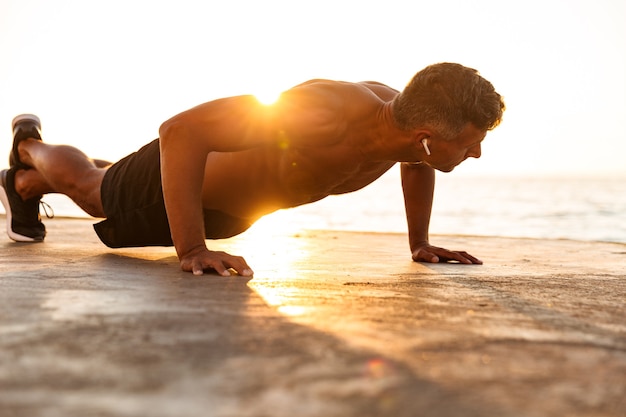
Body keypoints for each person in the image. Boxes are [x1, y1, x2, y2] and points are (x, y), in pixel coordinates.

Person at [0, 62, 505, 276]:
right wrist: (192, 249)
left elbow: (415, 164)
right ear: (428, 135)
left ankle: (23, 183)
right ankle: (29, 153)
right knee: (94, 189)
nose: (476, 154)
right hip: (185, 189)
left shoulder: (404, 132)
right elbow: (181, 132)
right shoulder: (328, 111)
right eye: (471, 143)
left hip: (230, 211)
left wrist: (418, 242)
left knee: (104, 177)